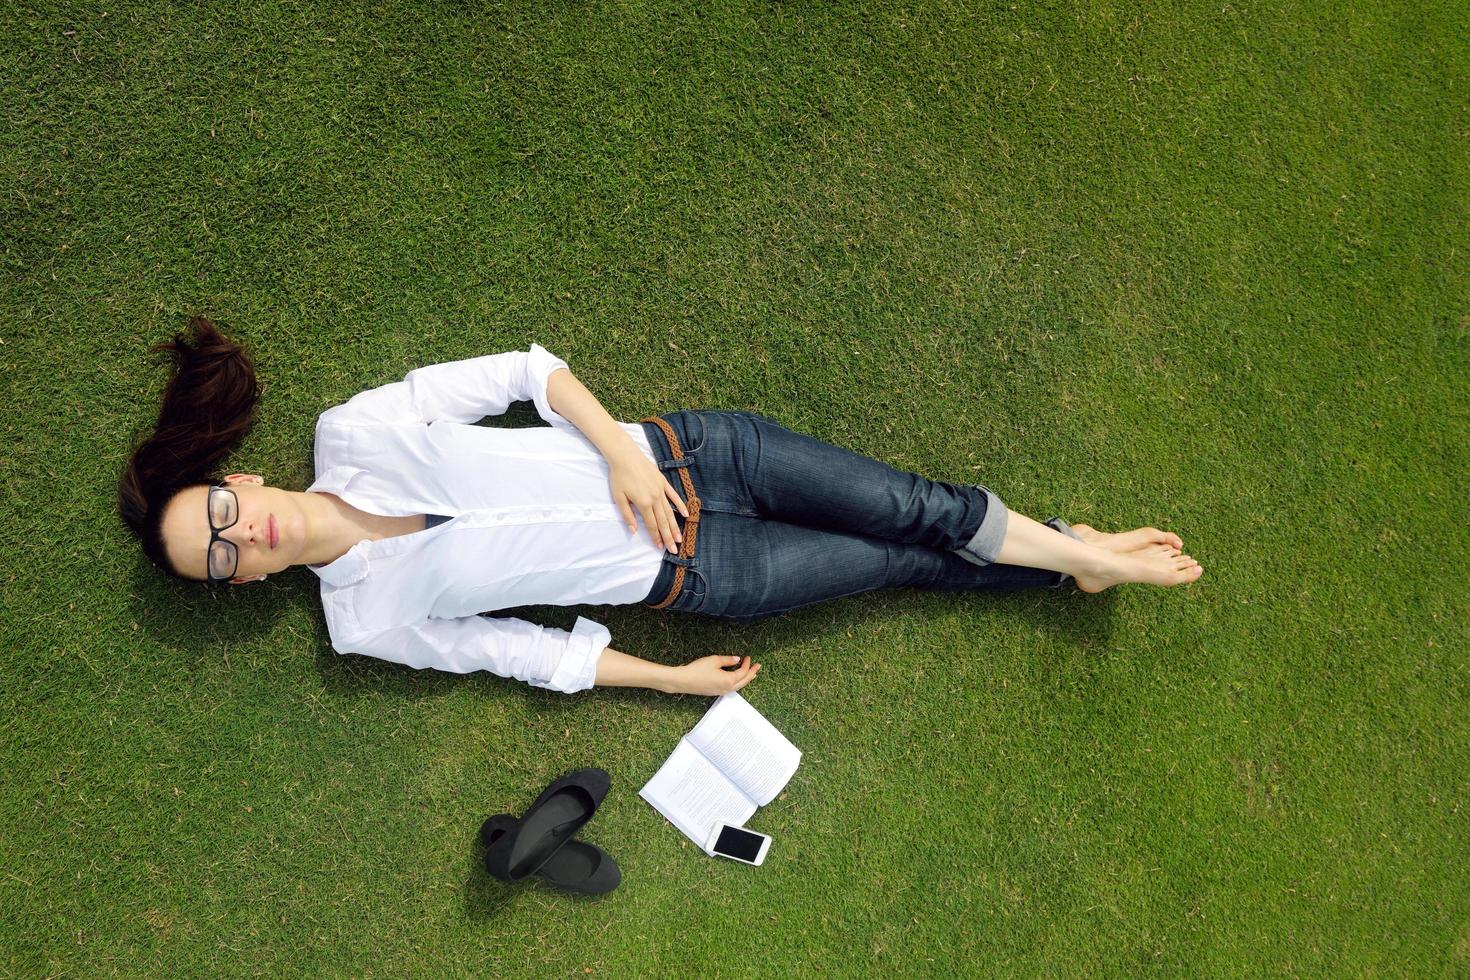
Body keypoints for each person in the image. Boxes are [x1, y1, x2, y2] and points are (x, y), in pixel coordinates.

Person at [120, 318, 1201, 699]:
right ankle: (1076, 557)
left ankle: (1089, 558)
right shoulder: (363, 624)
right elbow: (520, 655)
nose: (235, 536)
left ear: (241, 481)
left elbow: (524, 370)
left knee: (918, 505)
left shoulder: (356, 430)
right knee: (902, 560)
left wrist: (621, 457)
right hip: (703, 578)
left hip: (695, 456)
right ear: (245, 584)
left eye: (217, 511)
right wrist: (670, 678)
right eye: (220, 559)